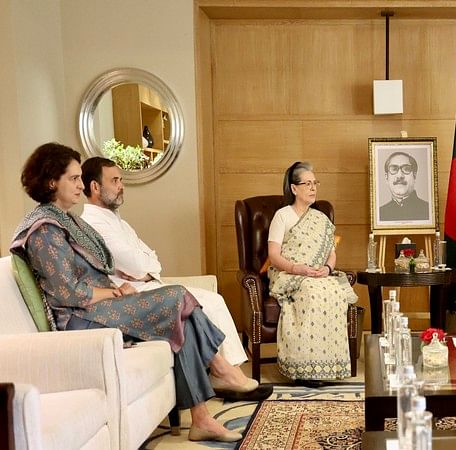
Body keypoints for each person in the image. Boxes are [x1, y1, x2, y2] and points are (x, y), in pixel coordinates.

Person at [10, 143, 264, 442]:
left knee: (181, 318)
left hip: (95, 307)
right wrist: (114, 293)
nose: (80, 185)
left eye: (81, 178)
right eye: (73, 178)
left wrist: (114, 288)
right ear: (51, 181)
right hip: (79, 318)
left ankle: (202, 418)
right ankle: (220, 368)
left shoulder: (68, 220)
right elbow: (69, 294)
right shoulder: (44, 230)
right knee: (177, 297)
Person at [79, 156, 247, 367]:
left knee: (214, 299)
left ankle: (230, 372)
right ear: (95, 186)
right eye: (115, 181)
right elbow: (139, 266)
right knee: (210, 303)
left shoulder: (120, 222)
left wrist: (146, 269)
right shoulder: (94, 225)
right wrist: (144, 268)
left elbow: (153, 261)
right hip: (133, 296)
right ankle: (229, 374)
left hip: (148, 284)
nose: (121, 186)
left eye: (121, 180)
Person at [267, 161, 358, 385]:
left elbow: (331, 254)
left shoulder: (321, 219)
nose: (313, 187)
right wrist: (296, 268)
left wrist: (327, 269)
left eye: (315, 183)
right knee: (312, 292)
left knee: (336, 292)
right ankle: (305, 368)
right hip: (289, 273)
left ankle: (328, 365)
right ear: (294, 188)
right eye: (307, 183)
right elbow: (274, 254)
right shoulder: (283, 216)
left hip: (318, 274)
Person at [379, 151, 429, 221]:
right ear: (386, 177)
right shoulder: (380, 214)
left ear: (414, 176)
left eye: (406, 169)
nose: (400, 176)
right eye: (394, 169)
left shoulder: (428, 210)